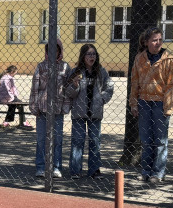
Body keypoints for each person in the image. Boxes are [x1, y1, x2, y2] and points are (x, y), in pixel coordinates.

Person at [129, 27, 173, 184]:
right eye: (154, 40)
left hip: (160, 103)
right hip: (143, 102)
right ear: (146, 42)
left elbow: (171, 85)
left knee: (160, 140)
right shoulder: (140, 58)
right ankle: (146, 170)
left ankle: (158, 172)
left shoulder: (169, 59)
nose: (158, 43)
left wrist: (168, 106)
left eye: (160, 40)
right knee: (146, 139)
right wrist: (133, 103)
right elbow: (134, 82)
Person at [64, 44, 113, 178]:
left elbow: (109, 88)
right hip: (79, 112)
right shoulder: (75, 72)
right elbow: (68, 93)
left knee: (95, 141)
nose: (92, 57)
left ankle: (94, 170)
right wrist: (74, 86)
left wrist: (101, 99)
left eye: (94, 54)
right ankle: (75, 170)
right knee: (77, 141)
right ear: (83, 56)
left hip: (95, 112)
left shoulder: (101, 71)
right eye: (89, 54)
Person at [30, 38, 70, 179]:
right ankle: (41, 166)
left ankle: (56, 167)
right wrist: (34, 106)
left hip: (58, 109)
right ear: (46, 51)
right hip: (42, 108)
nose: (53, 52)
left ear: (60, 51)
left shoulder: (65, 67)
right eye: (50, 50)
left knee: (57, 139)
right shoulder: (41, 67)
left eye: (56, 49)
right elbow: (35, 87)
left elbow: (68, 88)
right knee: (41, 139)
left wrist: (66, 106)